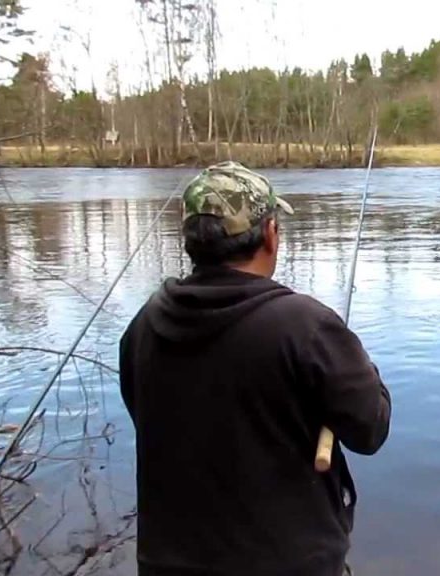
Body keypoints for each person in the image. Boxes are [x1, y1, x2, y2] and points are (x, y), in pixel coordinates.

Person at [118, 162, 391, 576]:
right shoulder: (305, 326)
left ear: (193, 241)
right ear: (269, 234)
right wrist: (362, 367)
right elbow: (370, 428)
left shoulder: (143, 326)